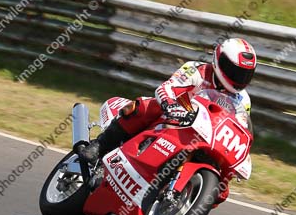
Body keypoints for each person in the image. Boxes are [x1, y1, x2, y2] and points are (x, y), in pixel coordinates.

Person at [79, 38, 257, 170]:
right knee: (147, 106)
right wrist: (171, 105)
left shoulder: (243, 100)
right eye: (235, 71)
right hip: (174, 118)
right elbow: (167, 88)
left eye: (244, 74)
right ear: (220, 61)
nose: (239, 78)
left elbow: (240, 129)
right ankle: (100, 145)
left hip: (205, 138)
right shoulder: (197, 70)